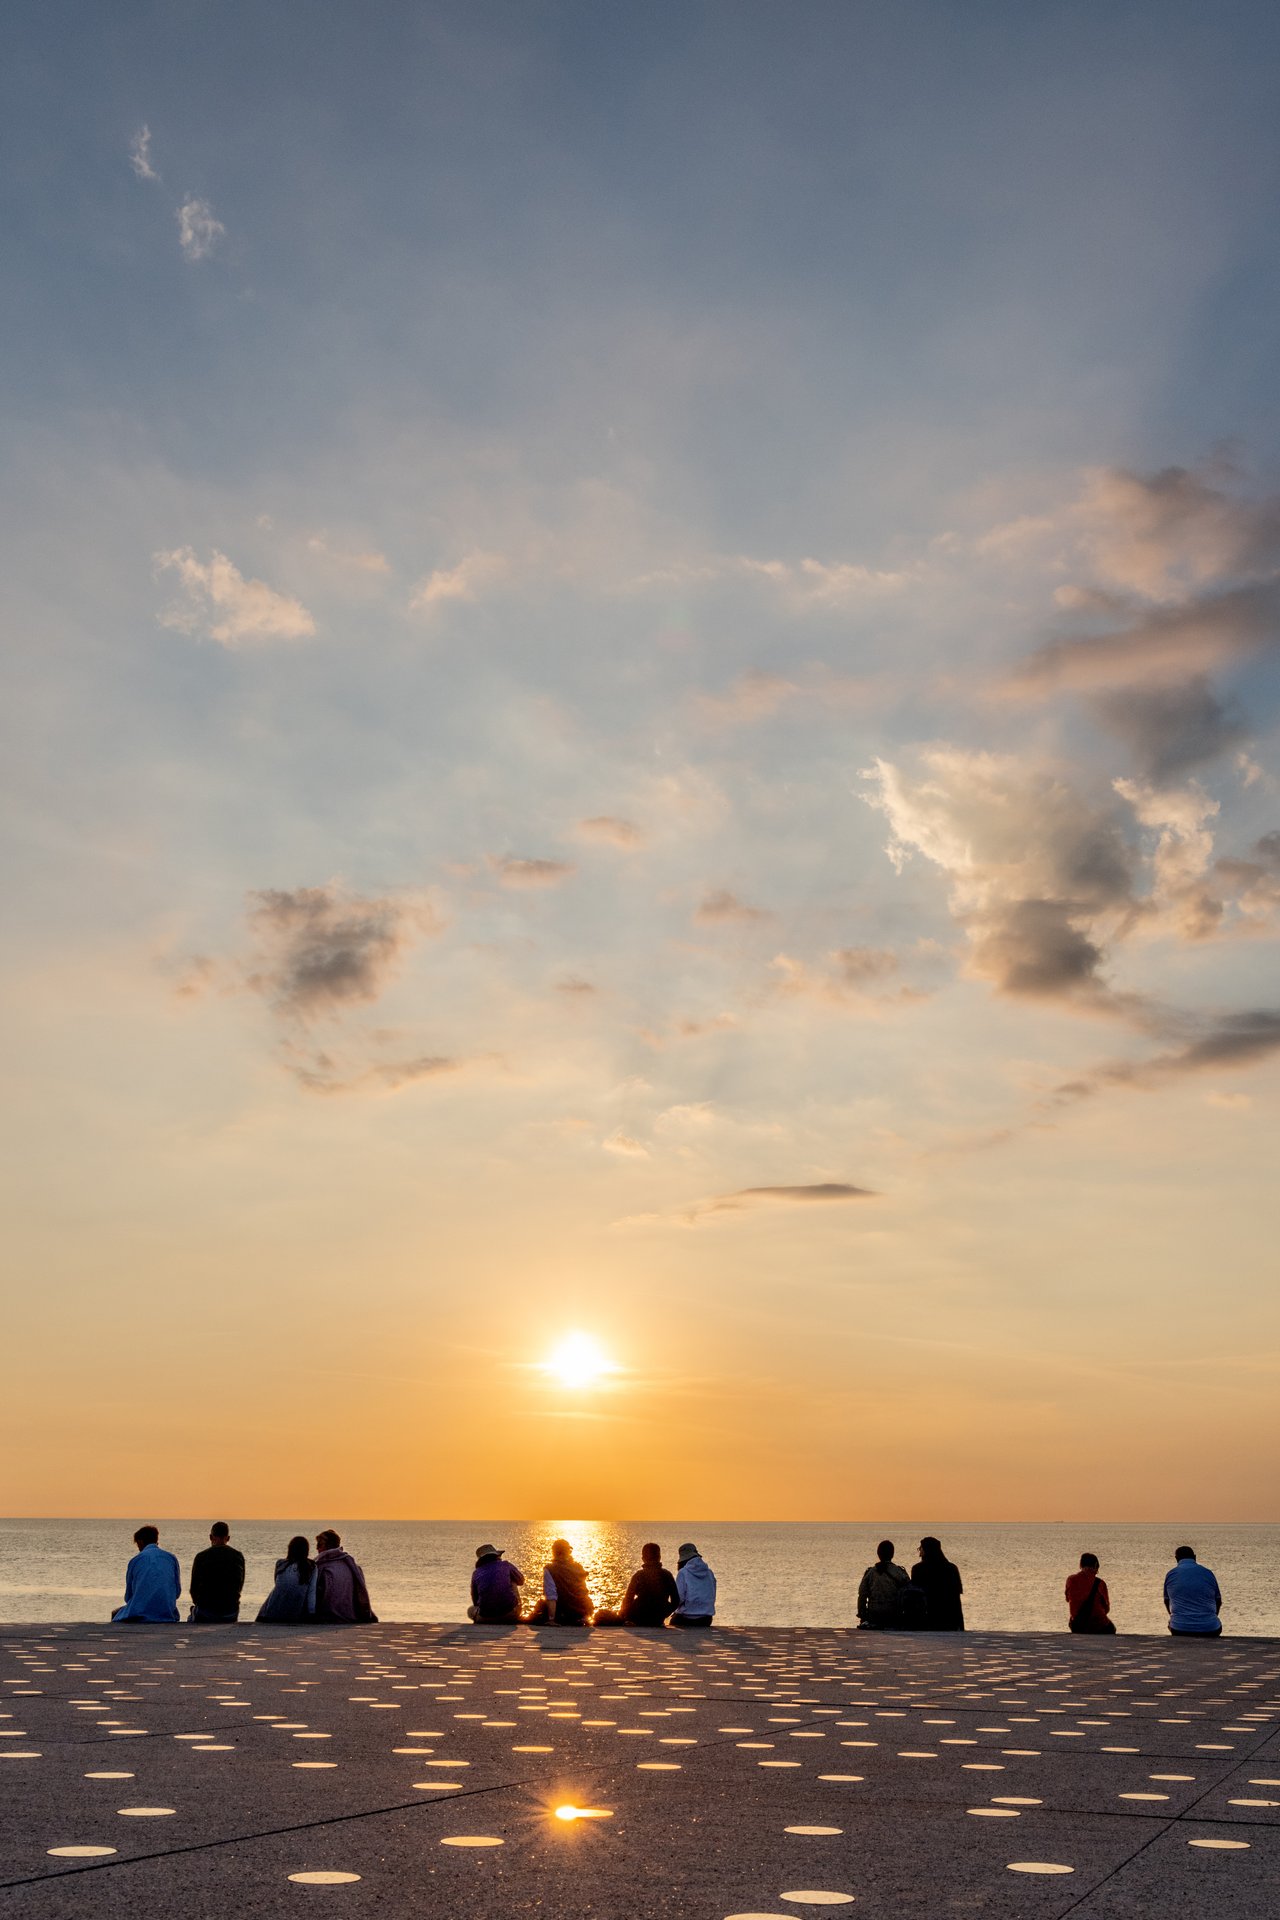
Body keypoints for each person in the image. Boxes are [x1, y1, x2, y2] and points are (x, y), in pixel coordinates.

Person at [112, 1525, 182, 1623]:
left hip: (141, 1613)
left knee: (115, 1614)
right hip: (167, 1613)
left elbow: (128, 1596)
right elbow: (177, 1592)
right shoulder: (171, 1558)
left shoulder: (136, 1560)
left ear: (140, 1542)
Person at [308, 1529, 377, 1623]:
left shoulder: (321, 1567)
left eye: (319, 1545)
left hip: (327, 1617)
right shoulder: (351, 1565)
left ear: (328, 1546)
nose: (317, 1548)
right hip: (349, 1616)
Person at [189, 1521, 246, 1623]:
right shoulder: (238, 1556)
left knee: (191, 1617)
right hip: (230, 1612)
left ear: (211, 1537)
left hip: (206, 1611)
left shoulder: (201, 1557)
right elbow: (239, 1585)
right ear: (228, 1538)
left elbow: (194, 1588)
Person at [527, 1538, 593, 1626]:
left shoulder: (550, 1569)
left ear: (554, 1552)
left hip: (564, 1611)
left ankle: (557, 1618)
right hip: (583, 1611)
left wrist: (551, 1619)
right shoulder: (578, 1567)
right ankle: (583, 1618)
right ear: (569, 1552)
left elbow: (551, 1595)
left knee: (541, 1606)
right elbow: (582, 1591)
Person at [1163, 1545, 1223, 1637]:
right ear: (1195, 1557)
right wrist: (1211, 1618)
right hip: (1210, 1628)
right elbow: (1218, 1600)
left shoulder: (1171, 1574)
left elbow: (1166, 1601)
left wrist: (1174, 1617)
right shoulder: (1208, 1573)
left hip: (1179, 1628)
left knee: (1174, 1622)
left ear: (1176, 1558)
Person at [910, 1536, 965, 1631]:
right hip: (949, 1620)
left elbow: (916, 1597)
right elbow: (956, 1601)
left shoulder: (918, 1569)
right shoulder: (952, 1569)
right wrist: (960, 1626)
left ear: (925, 1551)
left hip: (927, 1621)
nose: (919, 1552)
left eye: (920, 1549)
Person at [619, 1542, 680, 1627]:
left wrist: (624, 1616)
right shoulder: (667, 1575)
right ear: (659, 1557)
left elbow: (628, 1599)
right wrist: (664, 1613)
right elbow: (676, 1601)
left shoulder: (638, 1575)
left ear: (643, 1558)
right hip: (658, 1618)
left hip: (638, 1616)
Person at [256, 1535, 315, 1623]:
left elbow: (278, 1584)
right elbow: (311, 1592)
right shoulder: (312, 1567)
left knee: (275, 1592)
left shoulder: (280, 1563)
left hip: (272, 1610)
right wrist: (312, 1614)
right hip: (295, 1613)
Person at [857, 1539, 909, 1629]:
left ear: (878, 1554)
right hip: (894, 1615)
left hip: (874, 1616)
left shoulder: (870, 1572)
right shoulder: (899, 1572)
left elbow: (862, 1595)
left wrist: (863, 1615)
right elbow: (908, 1592)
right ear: (892, 1554)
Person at [468, 1544, 526, 1623]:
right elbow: (521, 1581)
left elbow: (475, 1598)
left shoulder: (476, 1573)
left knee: (470, 1610)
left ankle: (487, 1618)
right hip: (510, 1615)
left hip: (485, 1618)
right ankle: (514, 1611)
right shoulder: (506, 1565)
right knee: (513, 1579)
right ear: (497, 1556)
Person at [1065, 1552, 1116, 1634]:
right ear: (1095, 1566)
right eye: (1097, 1570)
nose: (1096, 1573)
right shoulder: (1100, 1583)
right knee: (1112, 1628)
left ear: (1080, 1565)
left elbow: (1068, 1599)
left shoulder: (1071, 1580)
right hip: (1099, 1625)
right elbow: (1106, 1608)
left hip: (1078, 1625)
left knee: (1073, 1619)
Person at [670, 1541, 716, 1628]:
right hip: (706, 1619)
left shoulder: (683, 1573)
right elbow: (712, 1594)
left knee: (673, 1622)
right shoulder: (709, 1572)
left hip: (686, 1618)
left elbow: (679, 1599)